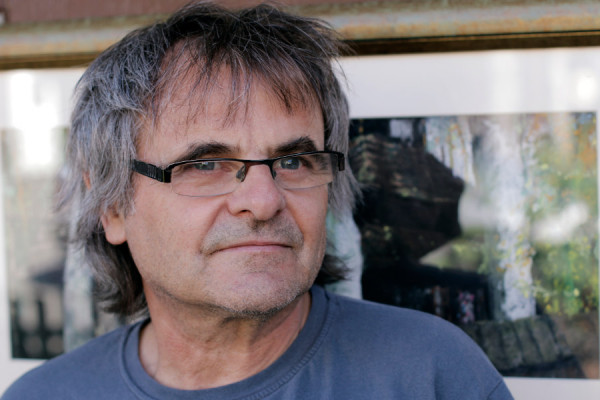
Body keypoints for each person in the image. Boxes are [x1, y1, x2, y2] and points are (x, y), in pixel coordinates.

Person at [3, 3, 513, 399]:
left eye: (294, 161)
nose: (264, 200)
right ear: (113, 207)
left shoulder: (432, 375)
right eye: (206, 165)